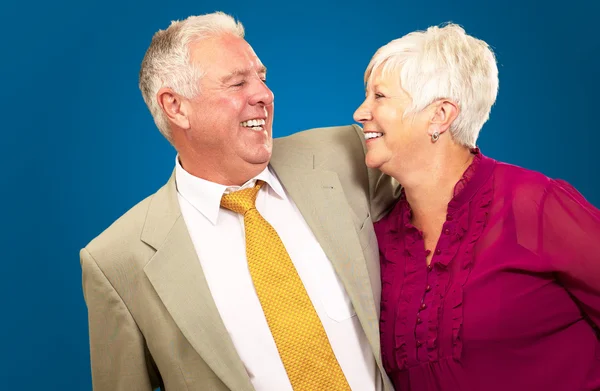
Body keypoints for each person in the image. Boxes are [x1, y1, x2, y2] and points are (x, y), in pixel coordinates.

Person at [80, 12, 397, 391]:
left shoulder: (343, 153)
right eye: (237, 83)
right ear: (176, 107)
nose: (264, 94)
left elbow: (446, 210)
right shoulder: (117, 260)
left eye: (262, 77)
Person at [353, 23, 600, 391]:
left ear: (440, 115)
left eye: (380, 97)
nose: (360, 112)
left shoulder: (535, 206)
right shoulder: (378, 237)